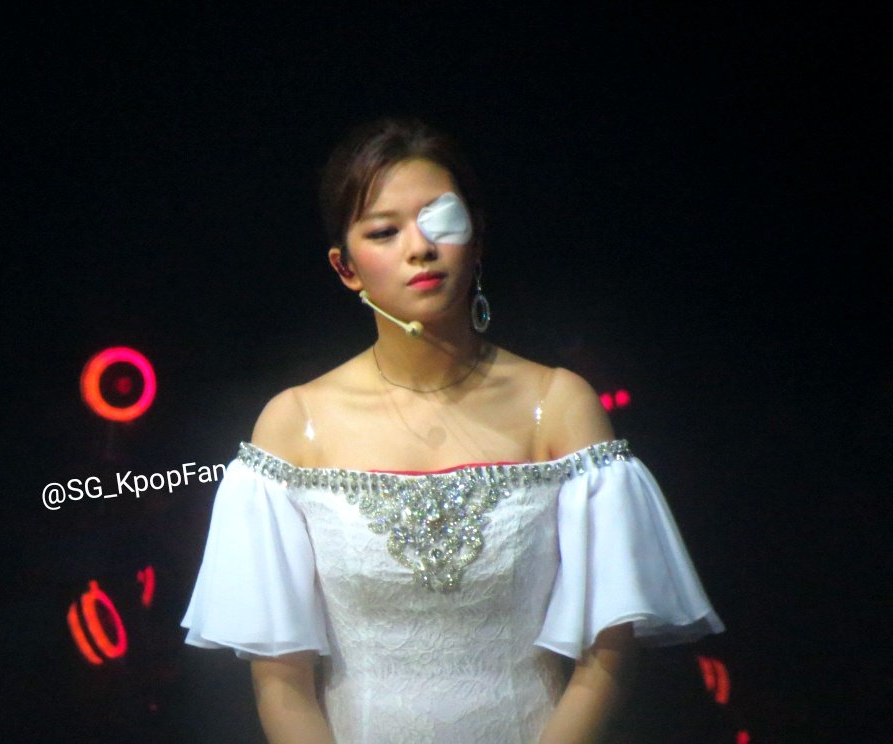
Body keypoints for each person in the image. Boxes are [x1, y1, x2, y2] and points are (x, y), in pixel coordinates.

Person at [182, 118, 724, 744]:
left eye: (440, 220)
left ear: (477, 234)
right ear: (345, 268)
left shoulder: (557, 406)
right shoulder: (294, 424)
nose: (420, 247)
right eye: (384, 232)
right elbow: (283, 687)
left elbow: (607, 659)